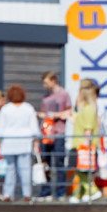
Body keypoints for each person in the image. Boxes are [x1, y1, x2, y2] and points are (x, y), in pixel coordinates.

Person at [0, 84, 40, 202]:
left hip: (8, 143)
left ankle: (7, 194)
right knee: (25, 170)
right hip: (24, 142)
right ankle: (27, 194)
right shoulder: (28, 108)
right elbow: (34, 128)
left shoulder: (6, 109)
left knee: (10, 170)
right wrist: (36, 142)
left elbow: (0, 129)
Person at [40, 72, 73, 202]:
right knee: (45, 162)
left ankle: (60, 192)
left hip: (59, 132)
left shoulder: (64, 94)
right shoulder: (45, 96)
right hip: (46, 134)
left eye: (46, 82)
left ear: (53, 80)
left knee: (59, 162)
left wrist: (55, 115)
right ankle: (46, 192)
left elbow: (69, 112)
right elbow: (43, 112)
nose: (44, 85)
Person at [69, 79, 102, 204]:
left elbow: (88, 130)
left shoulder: (89, 109)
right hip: (80, 143)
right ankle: (79, 194)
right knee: (81, 171)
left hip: (83, 145)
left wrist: (86, 146)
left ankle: (93, 190)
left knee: (81, 171)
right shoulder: (85, 109)